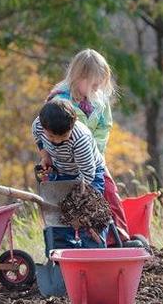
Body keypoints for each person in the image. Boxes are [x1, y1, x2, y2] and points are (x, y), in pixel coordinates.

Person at [45, 49, 131, 243]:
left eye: (98, 85)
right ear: (79, 77)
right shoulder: (60, 100)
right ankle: (69, 241)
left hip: (93, 157)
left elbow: (104, 125)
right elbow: (46, 129)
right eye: (92, 84)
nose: (96, 89)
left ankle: (118, 237)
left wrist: (96, 149)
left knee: (108, 191)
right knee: (69, 201)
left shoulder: (99, 100)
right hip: (65, 160)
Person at [33, 98, 108, 248]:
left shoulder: (80, 139)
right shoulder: (38, 125)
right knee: (57, 215)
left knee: (89, 214)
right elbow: (39, 140)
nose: (57, 141)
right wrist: (46, 156)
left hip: (88, 175)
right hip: (61, 170)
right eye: (52, 137)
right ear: (44, 127)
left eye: (63, 137)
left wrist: (76, 201)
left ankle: (94, 253)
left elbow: (87, 174)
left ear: (72, 126)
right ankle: (63, 255)